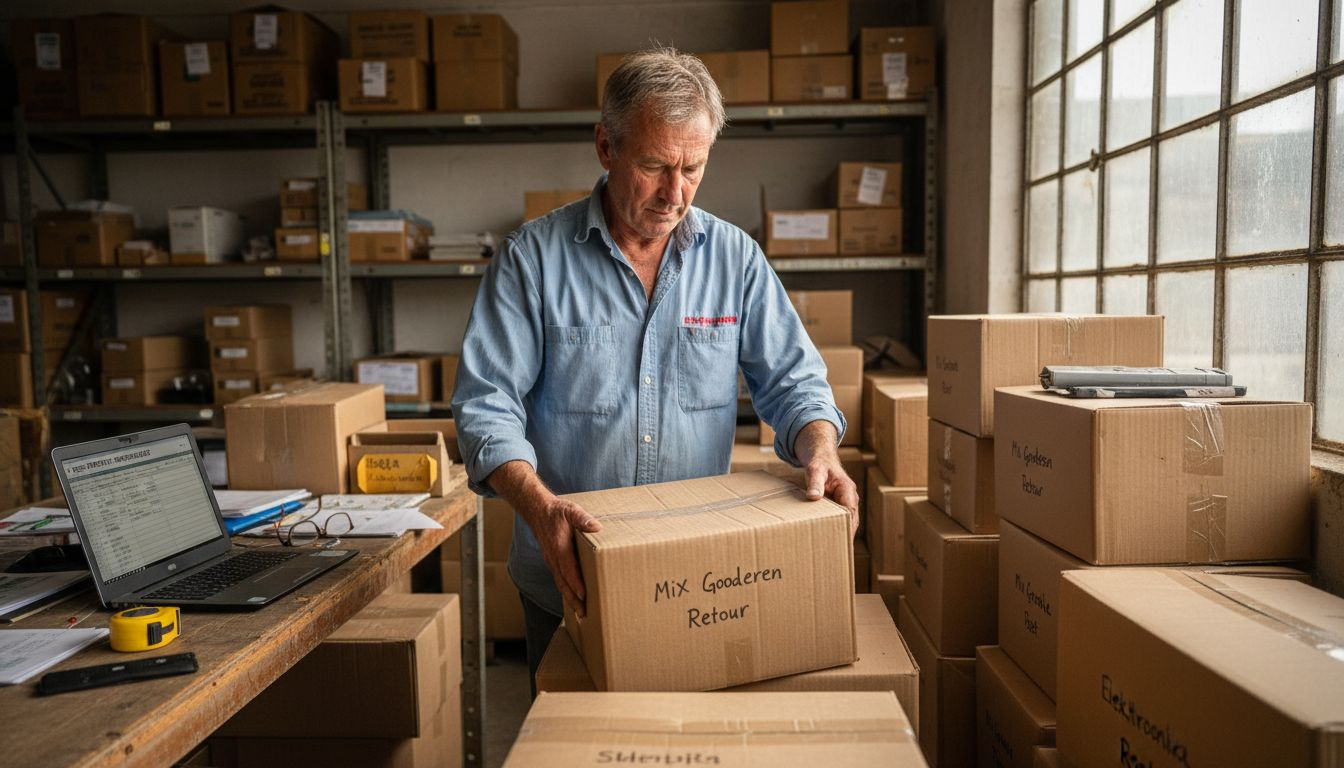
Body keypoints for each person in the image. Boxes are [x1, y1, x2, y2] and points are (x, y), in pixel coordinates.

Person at [451, 47, 859, 691]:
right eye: (654, 167)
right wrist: (539, 507)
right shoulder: (532, 259)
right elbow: (486, 406)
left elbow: (792, 380)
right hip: (567, 578)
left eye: (693, 168)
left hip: (696, 583)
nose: (676, 193)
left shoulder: (735, 260)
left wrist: (821, 448)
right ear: (605, 146)